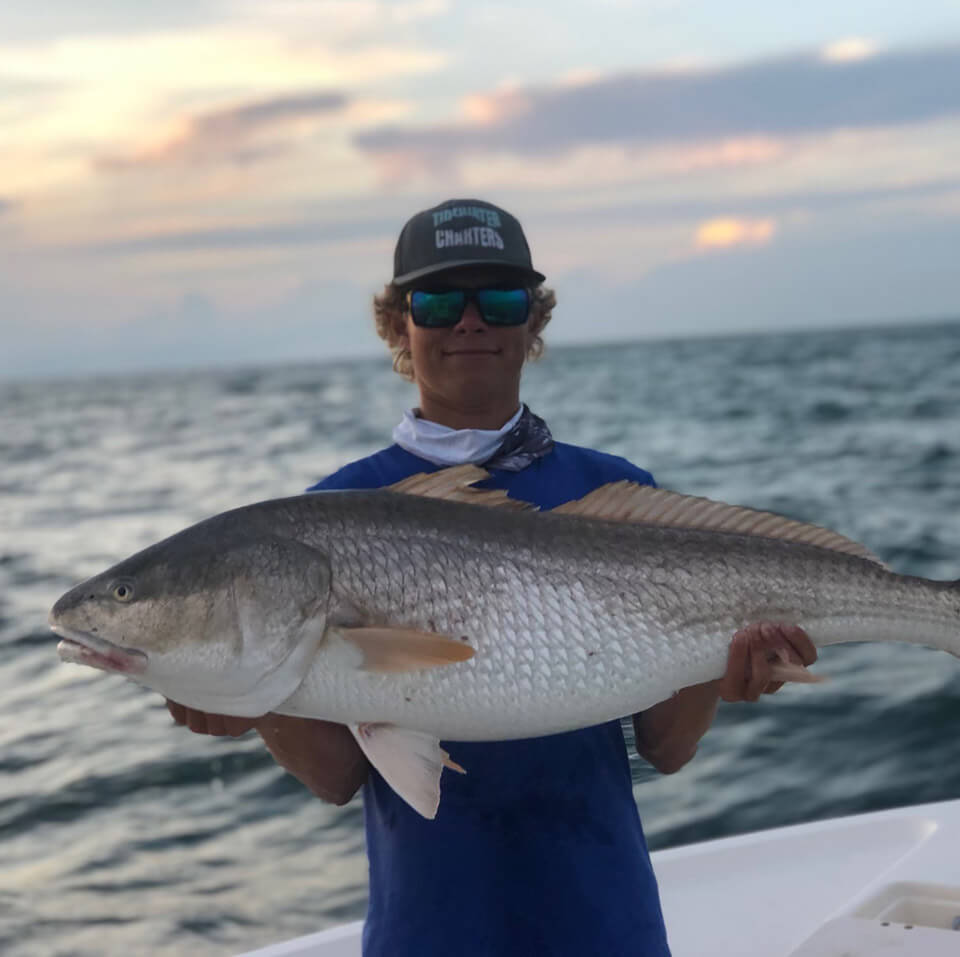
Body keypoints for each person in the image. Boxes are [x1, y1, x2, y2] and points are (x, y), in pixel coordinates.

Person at [168, 198, 817, 956]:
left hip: (606, 924)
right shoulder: (331, 517)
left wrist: (722, 663)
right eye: (439, 301)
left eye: (500, 299)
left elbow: (666, 748)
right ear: (399, 324)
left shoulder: (613, 491)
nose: (469, 322)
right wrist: (251, 698)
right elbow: (341, 776)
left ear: (531, 322)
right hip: (430, 931)